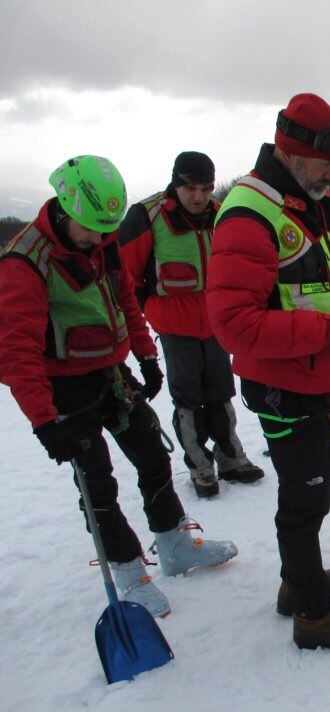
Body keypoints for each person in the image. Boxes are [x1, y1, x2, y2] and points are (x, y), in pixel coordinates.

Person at [0, 156, 238, 619]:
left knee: (153, 455)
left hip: (110, 374)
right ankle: (129, 570)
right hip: (63, 387)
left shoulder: (103, 241)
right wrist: (45, 422)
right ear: (65, 210)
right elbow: (14, 352)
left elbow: (124, 295)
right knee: (97, 482)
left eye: (104, 230)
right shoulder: (23, 262)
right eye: (90, 229)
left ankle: (173, 545)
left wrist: (145, 355)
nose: (98, 239)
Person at [208, 93, 330, 652]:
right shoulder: (250, 214)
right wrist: (329, 332)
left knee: (313, 483)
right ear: (292, 152)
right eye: (328, 162)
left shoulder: (302, 200)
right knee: (305, 493)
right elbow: (234, 326)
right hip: (282, 385)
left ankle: (298, 581)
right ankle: (314, 613)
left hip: (313, 379)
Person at [118, 151, 264, 498]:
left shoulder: (222, 214)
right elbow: (124, 278)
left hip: (218, 324)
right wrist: (144, 317)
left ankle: (231, 459)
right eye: (191, 188)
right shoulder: (147, 216)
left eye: (206, 188)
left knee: (221, 394)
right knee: (188, 401)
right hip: (174, 328)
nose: (199, 196)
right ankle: (200, 468)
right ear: (176, 183)